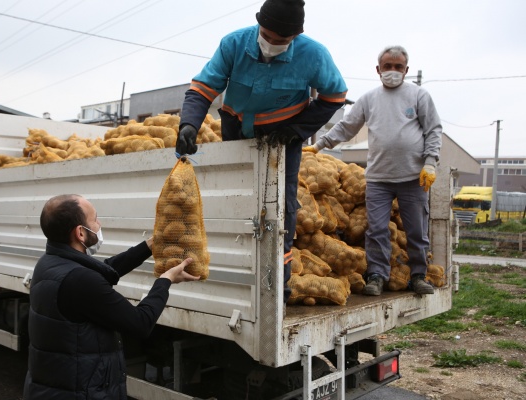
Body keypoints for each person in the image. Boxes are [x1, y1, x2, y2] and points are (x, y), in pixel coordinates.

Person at [175, 0, 347, 303]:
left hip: (285, 136)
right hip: (237, 128)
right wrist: (189, 125)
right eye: (267, 36)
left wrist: (297, 130)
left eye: (282, 41)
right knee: (238, 197)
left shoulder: (314, 55)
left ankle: (279, 279)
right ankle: (236, 265)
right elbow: (203, 88)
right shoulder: (234, 44)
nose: (272, 44)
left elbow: (336, 96)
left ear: (296, 35)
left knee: (282, 203)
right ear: (259, 24)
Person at [23, 194, 200, 399]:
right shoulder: (79, 280)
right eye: (95, 219)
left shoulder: (50, 263)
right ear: (80, 233)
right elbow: (140, 323)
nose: (100, 224)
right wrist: (166, 280)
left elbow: (102, 271)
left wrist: (149, 246)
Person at [307, 45, 442, 296]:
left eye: (398, 67)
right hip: (379, 178)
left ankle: (418, 275)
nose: (393, 71)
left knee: (416, 231)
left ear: (406, 70)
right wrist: (319, 145)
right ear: (378, 69)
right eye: (388, 67)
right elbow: (347, 126)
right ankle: (377, 275)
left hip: (414, 177)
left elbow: (433, 130)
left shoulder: (419, 96)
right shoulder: (369, 99)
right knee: (377, 230)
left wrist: (431, 162)